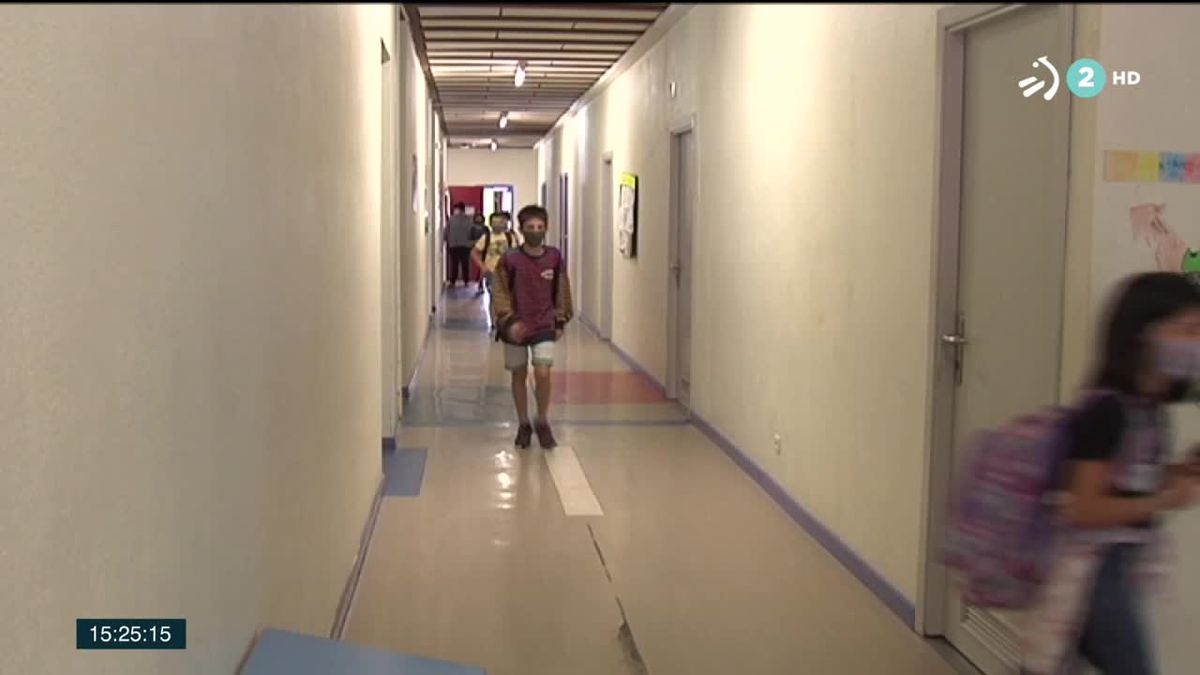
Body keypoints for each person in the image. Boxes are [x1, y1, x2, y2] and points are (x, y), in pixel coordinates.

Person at [1022, 272, 1200, 675]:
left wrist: (1175, 472)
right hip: (1093, 576)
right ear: (1144, 334)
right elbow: (1082, 508)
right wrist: (1166, 499)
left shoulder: (1148, 408)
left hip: (1117, 569)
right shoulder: (1108, 411)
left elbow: (1124, 483)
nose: (1196, 344)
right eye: (1188, 329)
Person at [490, 205, 574, 449]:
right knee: (518, 374)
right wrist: (508, 320)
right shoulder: (510, 259)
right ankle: (523, 423)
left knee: (543, 372)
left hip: (544, 323)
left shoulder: (554, 257)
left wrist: (561, 318)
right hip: (515, 325)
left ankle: (542, 419)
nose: (535, 232)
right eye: (530, 228)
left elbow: (562, 289)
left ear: (546, 228)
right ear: (521, 229)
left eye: (540, 227)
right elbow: (500, 292)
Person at [471, 211, 522, 299]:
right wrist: (482, 266)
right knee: (495, 298)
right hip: (492, 272)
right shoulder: (486, 237)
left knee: (509, 297)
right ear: (490, 224)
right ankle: (494, 312)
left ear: (504, 223)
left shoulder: (510, 237)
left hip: (508, 272)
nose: (497, 225)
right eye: (494, 222)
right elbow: (474, 252)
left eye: (499, 222)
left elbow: (517, 252)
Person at [444, 202, 476, 288]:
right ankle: (466, 281)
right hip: (466, 245)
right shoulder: (470, 220)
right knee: (465, 264)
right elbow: (473, 233)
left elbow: (446, 231)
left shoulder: (451, 219)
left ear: (457, 209)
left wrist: (446, 240)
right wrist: (472, 243)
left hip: (454, 245)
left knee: (454, 264)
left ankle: (453, 282)